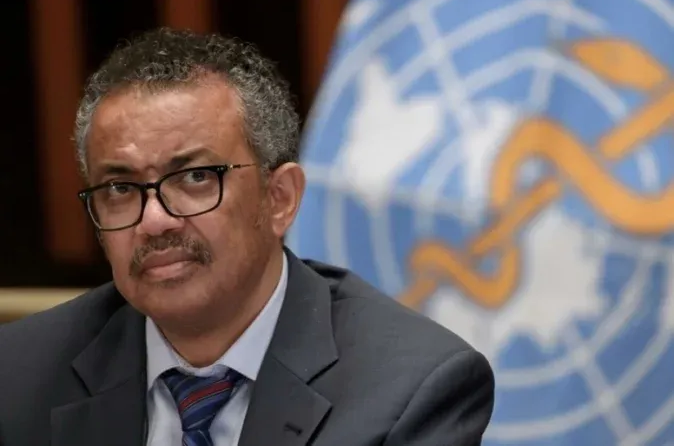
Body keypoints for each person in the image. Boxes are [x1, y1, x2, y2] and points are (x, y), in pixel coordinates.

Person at [0, 28, 495, 446]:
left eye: (195, 178)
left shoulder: (408, 391)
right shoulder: (18, 376)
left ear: (279, 198)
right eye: (120, 189)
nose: (154, 220)